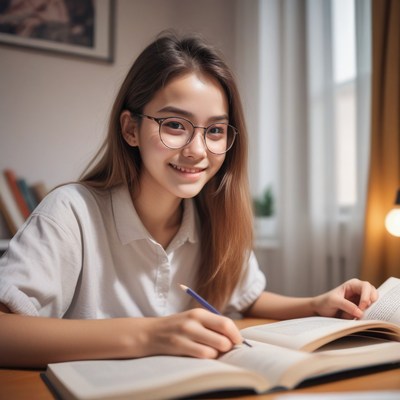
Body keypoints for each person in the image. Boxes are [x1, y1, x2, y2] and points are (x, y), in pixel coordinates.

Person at [0, 32, 378, 368]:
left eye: (214, 130)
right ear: (131, 129)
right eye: (176, 125)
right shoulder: (71, 211)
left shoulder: (215, 214)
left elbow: (247, 298)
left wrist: (316, 303)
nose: (198, 150)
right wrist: (150, 334)